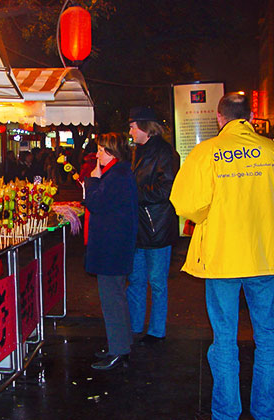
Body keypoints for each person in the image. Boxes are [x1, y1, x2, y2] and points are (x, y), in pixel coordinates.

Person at [170, 93, 274, 420]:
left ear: (219, 117)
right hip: (264, 256)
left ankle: (226, 413)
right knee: (267, 338)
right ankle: (265, 411)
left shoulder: (206, 153)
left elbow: (186, 204)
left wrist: (215, 212)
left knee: (224, 339)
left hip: (223, 257)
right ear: (251, 117)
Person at [84, 132, 138, 370]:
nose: (97, 155)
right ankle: (120, 344)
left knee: (112, 299)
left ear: (112, 152)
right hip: (115, 246)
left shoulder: (116, 175)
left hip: (112, 248)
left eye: (101, 150)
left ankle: (119, 350)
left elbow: (96, 204)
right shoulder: (119, 173)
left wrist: (92, 181)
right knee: (116, 297)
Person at [126, 107, 179, 345]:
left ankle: (157, 331)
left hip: (156, 227)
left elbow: (167, 190)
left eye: (133, 126)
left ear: (145, 127)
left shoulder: (165, 153)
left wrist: (132, 193)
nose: (130, 130)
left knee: (157, 283)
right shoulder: (137, 151)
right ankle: (135, 326)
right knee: (135, 281)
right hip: (138, 228)